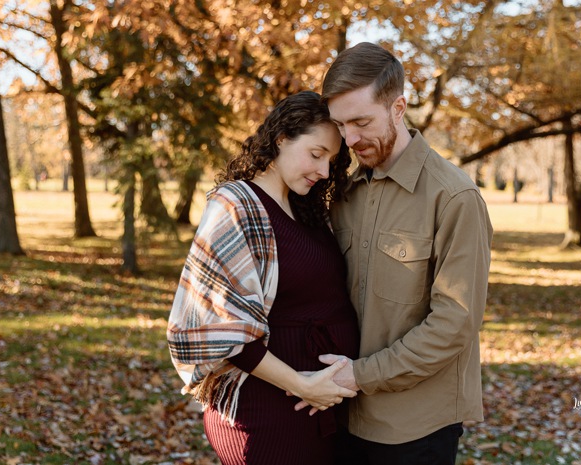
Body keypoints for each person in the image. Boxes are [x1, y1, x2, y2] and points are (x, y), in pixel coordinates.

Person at [309, 42, 494, 465]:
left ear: (399, 107)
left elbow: (455, 322)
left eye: (361, 121)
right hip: (341, 415)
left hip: (414, 426)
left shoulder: (454, 197)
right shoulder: (344, 193)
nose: (350, 139)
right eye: (340, 125)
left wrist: (361, 375)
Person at [166, 91, 360, 465]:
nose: (323, 171)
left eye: (331, 161)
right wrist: (303, 385)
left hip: (317, 412)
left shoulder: (307, 210)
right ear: (282, 138)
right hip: (267, 412)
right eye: (316, 154)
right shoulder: (235, 205)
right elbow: (223, 322)